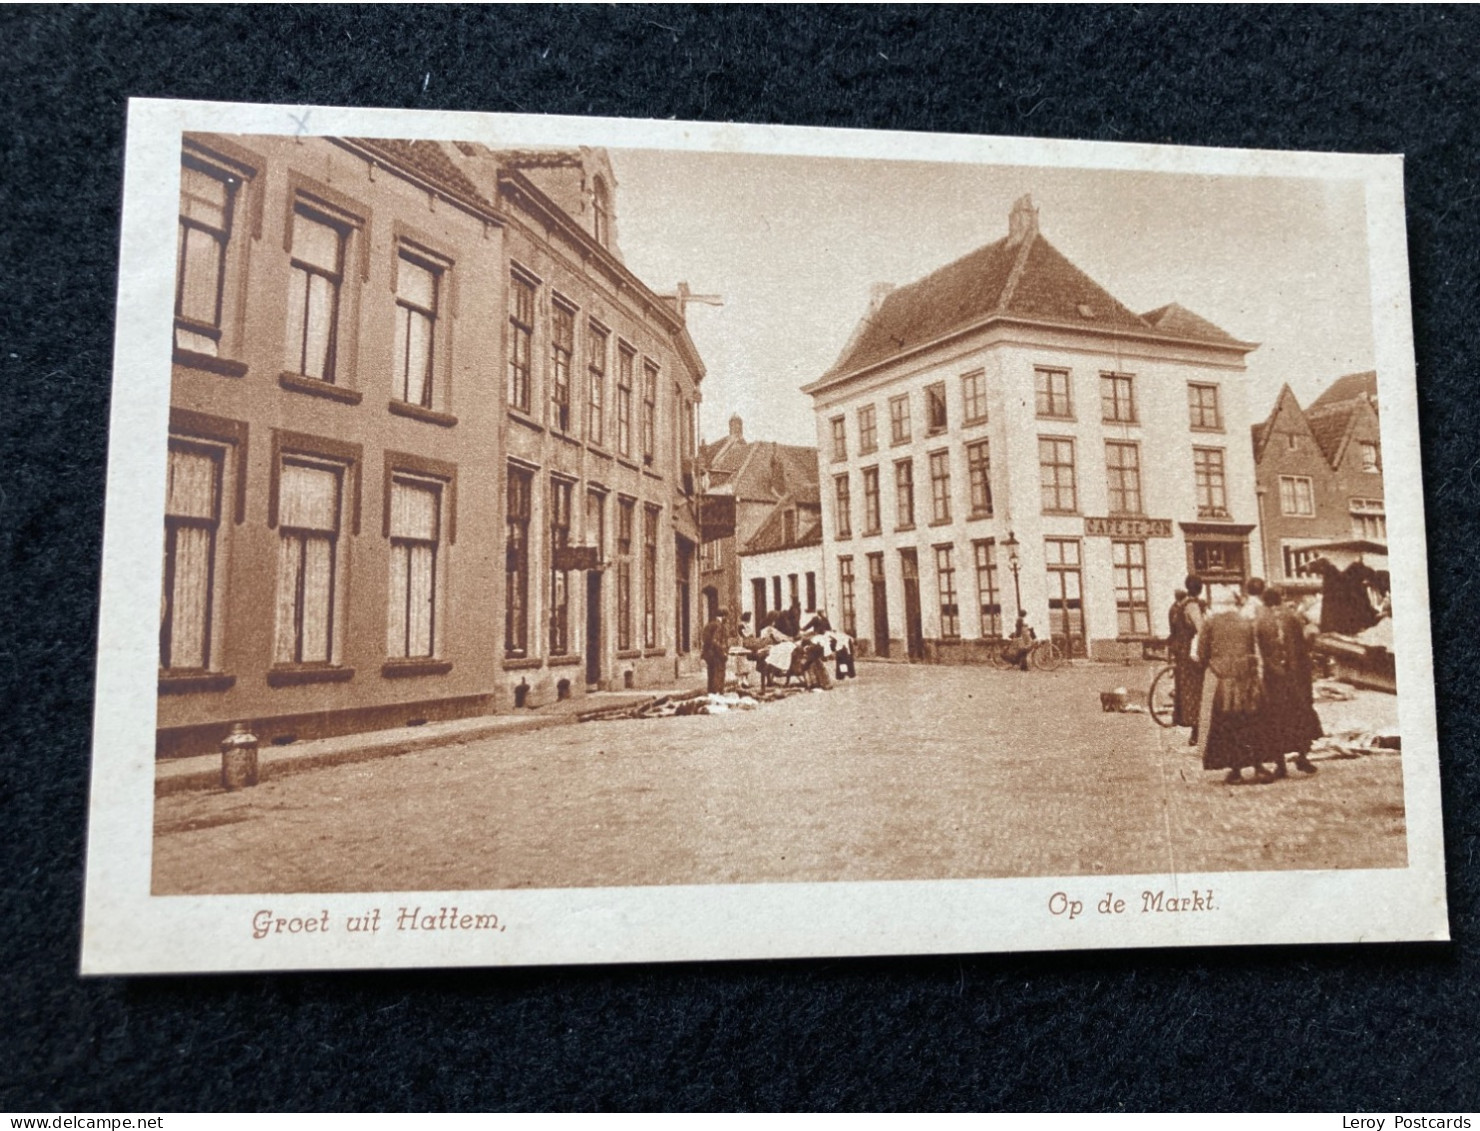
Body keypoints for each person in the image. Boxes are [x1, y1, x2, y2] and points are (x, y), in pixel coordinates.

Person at [1195, 588, 1273, 784]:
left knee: (1227, 724)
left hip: (1222, 680)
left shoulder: (1210, 623)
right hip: (1246, 679)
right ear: (1235, 604)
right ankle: (1258, 766)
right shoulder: (1246, 622)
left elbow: (1201, 653)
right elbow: (1253, 649)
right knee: (1252, 722)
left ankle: (1235, 770)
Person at [1258, 585, 1322, 776]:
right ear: (1281, 599)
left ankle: (1280, 764)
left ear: (1264, 601)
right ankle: (1302, 756)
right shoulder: (1293, 616)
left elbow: (1260, 650)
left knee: (1274, 719)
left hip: (1273, 677)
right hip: (1295, 676)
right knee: (1300, 714)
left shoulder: (1261, 621)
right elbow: (1303, 645)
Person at [1170, 575, 1206, 739]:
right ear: (1200, 589)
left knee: (1185, 689)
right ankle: (1196, 731)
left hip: (1181, 652)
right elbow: (1201, 630)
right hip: (1190, 652)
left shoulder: (1180, 605)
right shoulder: (1192, 606)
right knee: (1196, 690)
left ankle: (1193, 728)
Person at [701, 607, 730, 695]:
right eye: (726, 616)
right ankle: (717, 693)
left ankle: (712, 693)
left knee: (711, 673)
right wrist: (723, 652)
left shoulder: (710, 624)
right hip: (716, 655)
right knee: (719, 673)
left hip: (709, 655)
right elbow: (716, 641)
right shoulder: (719, 626)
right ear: (723, 616)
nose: (727, 619)